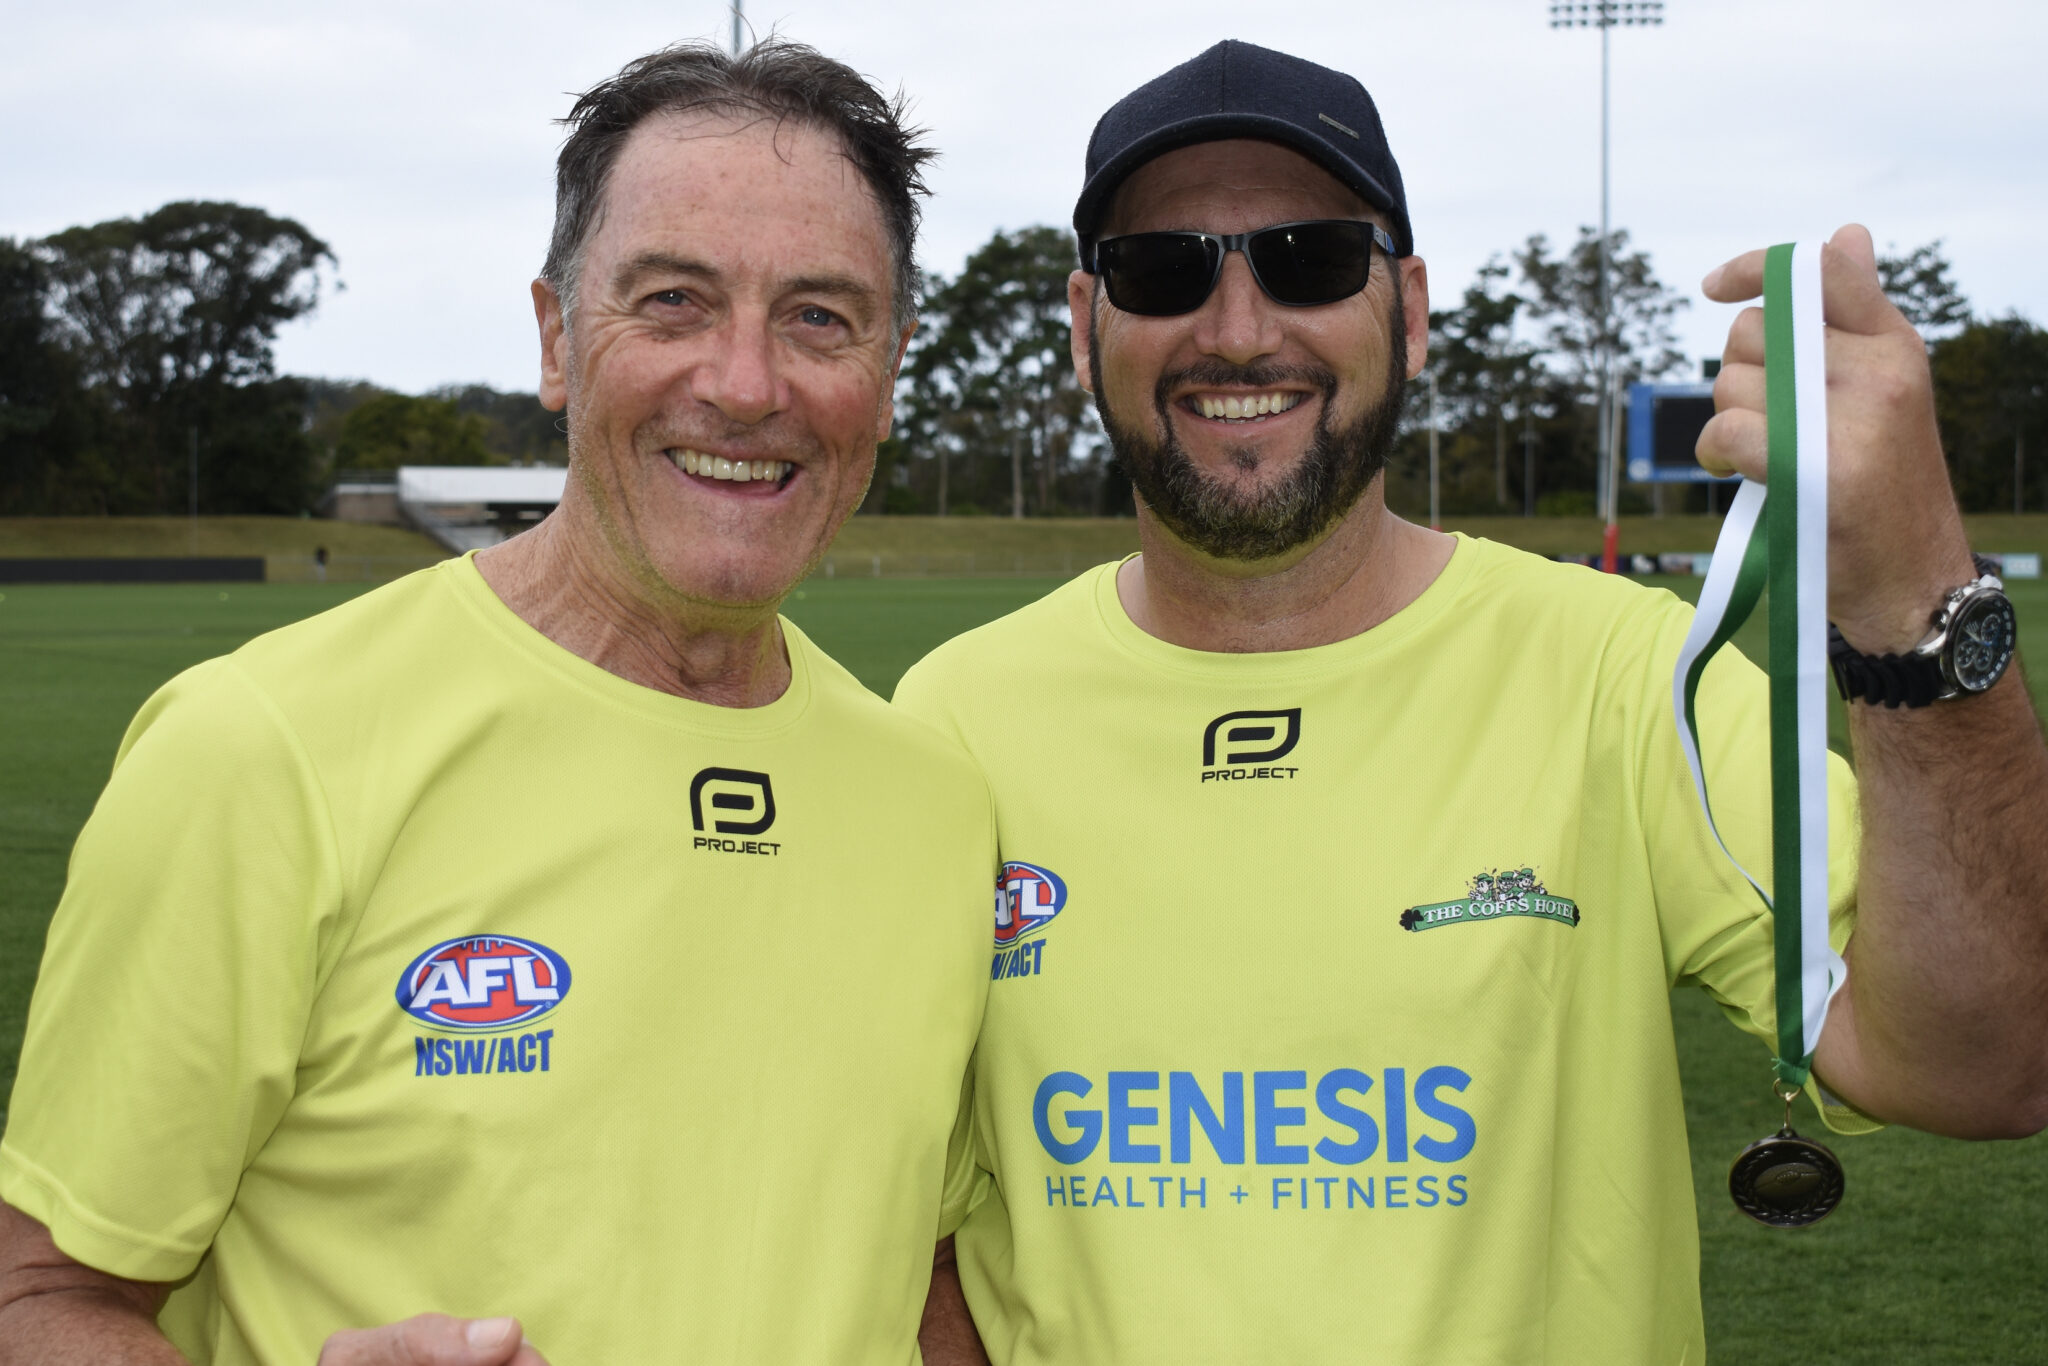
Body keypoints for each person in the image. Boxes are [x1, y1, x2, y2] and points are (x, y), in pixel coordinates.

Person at [898, 40, 2048, 1365]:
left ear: (1413, 308)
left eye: (1309, 257)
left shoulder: (1622, 677)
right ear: (1083, 321)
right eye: (1166, 273)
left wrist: (1915, 605)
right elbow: (918, 1218)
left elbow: (1985, 1062)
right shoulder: (956, 719)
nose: (1237, 327)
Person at [0, 40, 993, 1366]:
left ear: (890, 369)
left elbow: (920, 1272)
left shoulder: (933, 802)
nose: (747, 384)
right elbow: (38, 1298)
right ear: (554, 338)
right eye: (675, 300)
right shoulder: (262, 751)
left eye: (820, 315)